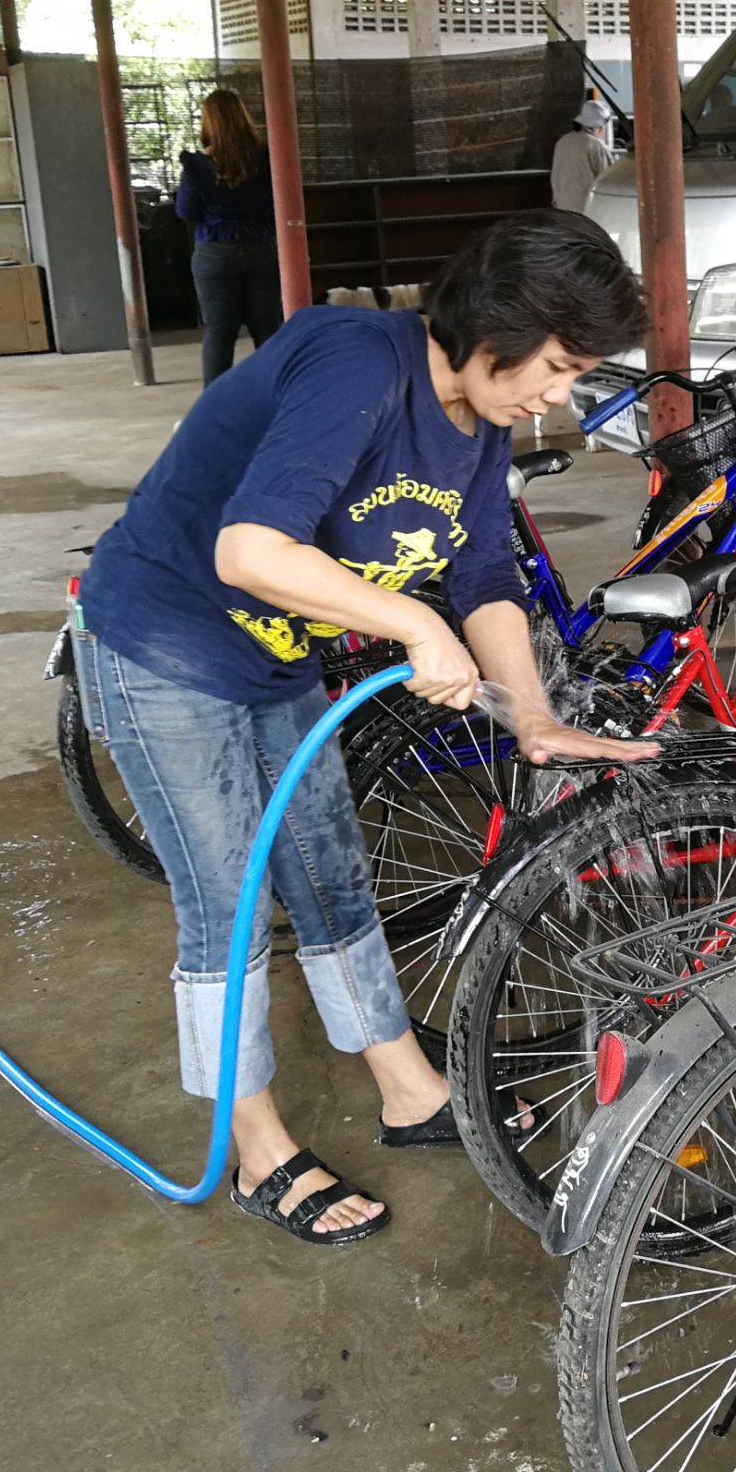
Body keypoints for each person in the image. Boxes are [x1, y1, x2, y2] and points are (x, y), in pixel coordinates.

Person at [70, 209, 656, 1246]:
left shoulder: (478, 418)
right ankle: (258, 1151)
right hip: (164, 640)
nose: (559, 397)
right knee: (227, 904)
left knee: (333, 875)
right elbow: (249, 550)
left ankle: (408, 1088)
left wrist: (531, 713)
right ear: (497, 328)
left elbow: (483, 573)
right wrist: (413, 624)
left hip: (276, 654)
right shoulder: (356, 363)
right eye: (559, 366)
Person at [176, 88, 281, 386]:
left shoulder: (196, 166)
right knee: (268, 329)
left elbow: (185, 211)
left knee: (219, 332)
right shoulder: (267, 159)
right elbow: (279, 204)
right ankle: (275, 396)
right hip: (262, 248)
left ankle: (216, 403)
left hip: (215, 252)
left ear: (208, 122)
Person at [549, 97, 617, 215]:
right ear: (600, 127)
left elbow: (555, 176)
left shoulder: (563, 141)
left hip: (562, 208)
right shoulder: (596, 145)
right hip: (587, 211)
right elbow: (607, 180)